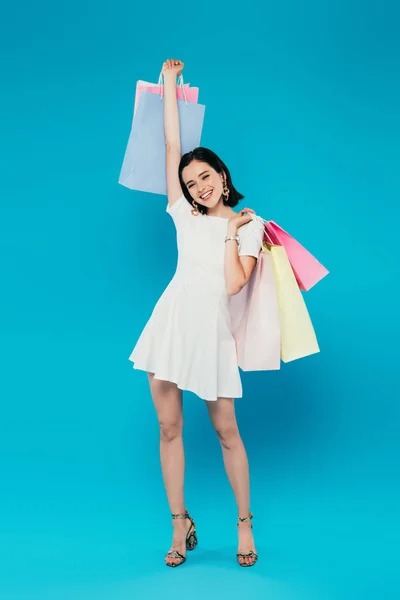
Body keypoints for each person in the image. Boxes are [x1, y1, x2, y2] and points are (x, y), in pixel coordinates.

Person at [129, 58, 264, 568]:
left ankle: (245, 524)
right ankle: (178, 522)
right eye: (190, 182)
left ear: (222, 176)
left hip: (211, 333)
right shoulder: (183, 213)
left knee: (227, 431)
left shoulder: (250, 225)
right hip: (171, 324)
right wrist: (167, 86)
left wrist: (230, 232)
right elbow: (170, 147)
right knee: (168, 428)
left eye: (205, 176)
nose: (198, 186)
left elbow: (233, 284)